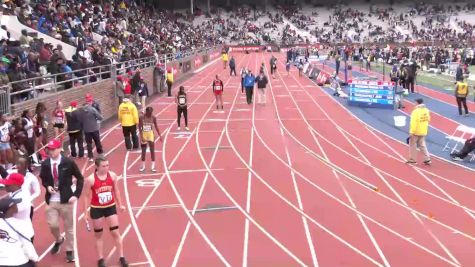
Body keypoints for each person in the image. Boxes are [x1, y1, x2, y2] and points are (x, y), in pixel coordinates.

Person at [39, 139, 84, 262]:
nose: (51, 152)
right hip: (52, 200)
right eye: (49, 149)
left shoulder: (68, 162)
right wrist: (47, 186)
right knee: (52, 225)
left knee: (69, 227)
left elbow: (80, 178)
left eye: (53, 149)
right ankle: (59, 239)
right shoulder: (46, 164)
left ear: (59, 149)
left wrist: (76, 195)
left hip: (66, 199)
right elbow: (43, 179)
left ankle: (70, 250)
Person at [83, 156, 128, 267]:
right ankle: (101, 259)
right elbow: (86, 196)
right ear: (97, 167)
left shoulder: (112, 176)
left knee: (115, 232)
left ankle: (121, 257)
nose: (106, 168)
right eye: (103, 166)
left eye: (107, 165)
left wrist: (120, 204)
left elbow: (116, 190)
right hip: (96, 209)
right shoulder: (91, 179)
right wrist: (85, 213)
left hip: (110, 207)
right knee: (99, 234)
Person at [0, 196, 39, 267]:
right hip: (18, 262)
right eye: (15, 205)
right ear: (10, 209)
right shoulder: (19, 224)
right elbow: (27, 244)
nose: (17, 206)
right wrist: (35, 259)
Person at [0, 173, 35, 243]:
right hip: (18, 231)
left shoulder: (21, 197)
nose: (6, 185)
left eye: (8, 183)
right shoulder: (17, 192)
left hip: (22, 234)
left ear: (16, 185)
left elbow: (8, 216)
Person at [407, 98, 431, 165]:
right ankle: (427, 159)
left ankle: (413, 159)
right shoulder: (426, 110)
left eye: (414, 102)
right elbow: (428, 119)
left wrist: (411, 132)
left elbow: (413, 122)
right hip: (423, 130)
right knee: (422, 145)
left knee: (412, 145)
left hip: (416, 131)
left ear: (417, 103)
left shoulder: (415, 111)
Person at [16, 157, 40, 222]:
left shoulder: (31, 177)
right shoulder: (13, 175)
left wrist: (29, 199)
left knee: (26, 226)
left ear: (26, 165)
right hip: (14, 205)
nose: (17, 165)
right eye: (17, 163)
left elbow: (37, 192)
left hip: (27, 206)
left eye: (20, 164)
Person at [138, 107, 162, 172]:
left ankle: (153, 166)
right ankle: (143, 166)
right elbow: (139, 127)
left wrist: (160, 135)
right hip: (144, 134)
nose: (150, 114)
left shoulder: (153, 117)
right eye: (149, 113)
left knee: (152, 150)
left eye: (151, 113)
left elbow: (156, 126)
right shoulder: (141, 118)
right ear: (146, 112)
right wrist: (141, 136)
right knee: (143, 151)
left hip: (150, 135)